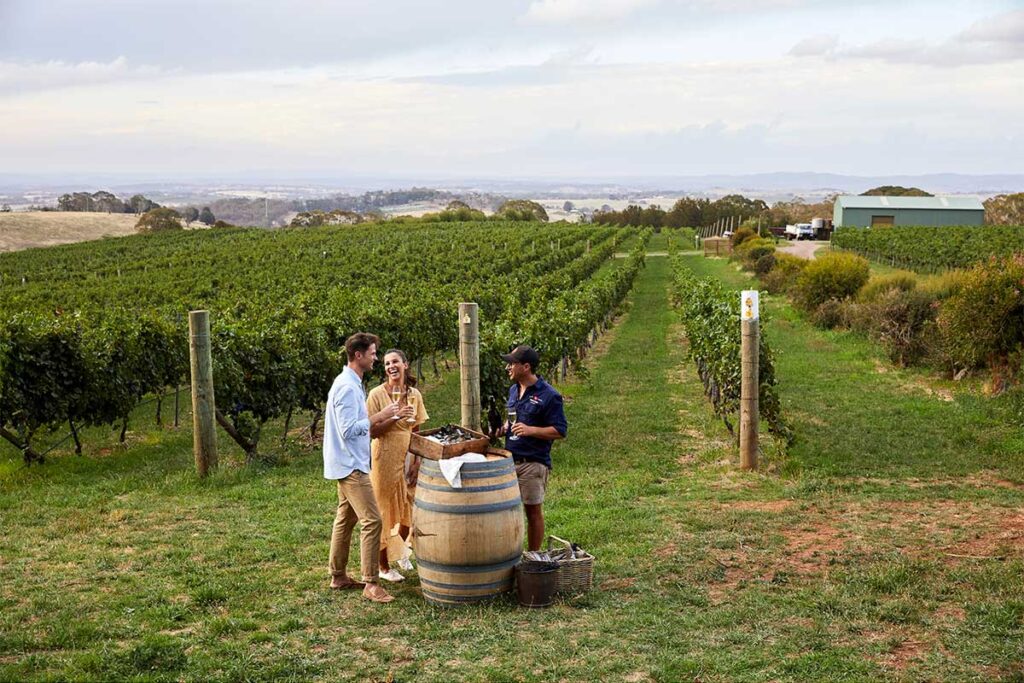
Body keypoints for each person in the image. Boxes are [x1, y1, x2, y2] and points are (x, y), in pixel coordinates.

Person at [324, 332, 401, 604]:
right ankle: (371, 583)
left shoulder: (351, 382)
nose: (376, 358)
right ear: (358, 355)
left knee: (346, 519)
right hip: (351, 465)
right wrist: (381, 416)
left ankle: (338, 575)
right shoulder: (346, 387)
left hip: (347, 462)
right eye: (372, 353)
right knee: (373, 520)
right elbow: (348, 430)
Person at [495, 345, 568, 551]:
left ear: (526, 367)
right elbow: (514, 422)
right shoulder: (513, 390)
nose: (508, 367)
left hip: (532, 463)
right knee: (507, 511)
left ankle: (533, 555)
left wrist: (531, 430)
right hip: (510, 461)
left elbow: (560, 431)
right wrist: (504, 429)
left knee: (532, 512)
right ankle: (510, 552)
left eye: (512, 363)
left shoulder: (549, 395)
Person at [366, 349, 429, 583]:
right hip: (385, 457)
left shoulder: (414, 394)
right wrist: (394, 416)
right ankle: (382, 566)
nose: (391, 366)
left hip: (408, 456)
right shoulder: (376, 395)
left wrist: (418, 461)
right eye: (386, 363)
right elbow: (372, 431)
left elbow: (417, 429)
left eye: (395, 362)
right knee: (382, 510)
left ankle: (401, 551)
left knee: (408, 507)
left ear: (405, 364)